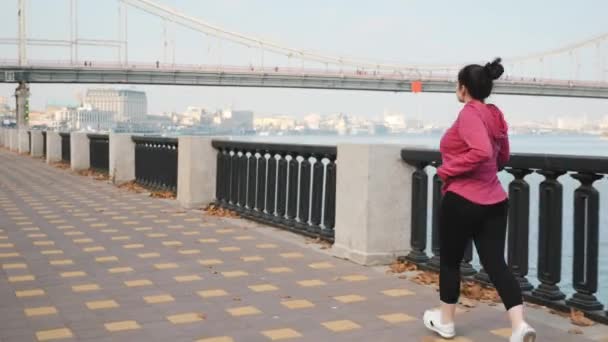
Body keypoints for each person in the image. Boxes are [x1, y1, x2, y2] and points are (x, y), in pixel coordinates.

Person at [423, 58, 536, 342]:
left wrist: (446, 170)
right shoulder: (495, 115)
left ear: (463, 89)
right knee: (497, 264)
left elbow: (482, 152)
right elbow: (502, 158)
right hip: (495, 201)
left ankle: (446, 322)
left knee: (450, 262)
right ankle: (520, 326)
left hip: (461, 200)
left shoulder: (469, 115)